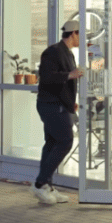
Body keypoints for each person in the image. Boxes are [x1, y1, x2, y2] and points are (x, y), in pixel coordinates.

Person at [30, 19, 84, 205]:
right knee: (65, 141)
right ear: (73, 33)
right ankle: (39, 184)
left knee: (52, 143)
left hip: (60, 104)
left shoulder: (68, 53)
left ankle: (47, 187)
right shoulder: (53, 51)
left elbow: (65, 84)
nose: (82, 39)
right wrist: (71, 74)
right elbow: (46, 78)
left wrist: (71, 103)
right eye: (81, 34)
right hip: (51, 105)